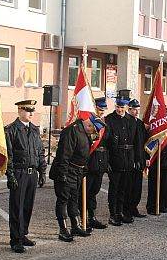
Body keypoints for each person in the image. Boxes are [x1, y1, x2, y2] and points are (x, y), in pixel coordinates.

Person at [5, 99, 46, 253]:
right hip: (19, 172)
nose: (31, 113)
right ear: (20, 111)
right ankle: (15, 239)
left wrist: (42, 172)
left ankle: (23, 235)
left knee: (27, 206)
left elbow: (40, 152)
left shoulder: (34, 130)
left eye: (32, 111)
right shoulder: (11, 130)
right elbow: (8, 155)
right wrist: (11, 176)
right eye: (28, 110)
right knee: (17, 207)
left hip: (32, 173)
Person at [49, 116, 94, 242]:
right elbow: (64, 154)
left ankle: (75, 226)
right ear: (88, 124)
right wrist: (62, 173)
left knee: (74, 199)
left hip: (77, 171)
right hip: (66, 170)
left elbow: (84, 152)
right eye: (93, 129)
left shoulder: (84, 131)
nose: (93, 133)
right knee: (63, 199)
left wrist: (84, 169)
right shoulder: (71, 131)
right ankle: (63, 229)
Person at [105, 90, 139, 225]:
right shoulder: (109, 120)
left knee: (125, 188)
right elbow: (106, 143)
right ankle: (113, 214)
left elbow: (136, 141)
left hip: (128, 158)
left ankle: (121, 212)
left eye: (122, 107)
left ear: (126, 107)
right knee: (115, 188)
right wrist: (108, 161)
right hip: (115, 158)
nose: (119, 109)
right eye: (118, 107)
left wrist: (136, 159)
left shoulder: (131, 121)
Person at [79, 97, 109, 232]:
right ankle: (82, 219)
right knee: (85, 192)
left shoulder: (104, 122)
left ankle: (92, 217)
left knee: (94, 192)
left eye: (103, 109)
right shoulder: (89, 122)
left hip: (101, 162)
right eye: (99, 109)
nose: (101, 112)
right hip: (90, 161)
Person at [126, 99, 148, 218]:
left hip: (140, 159)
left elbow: (144, 142)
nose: (136, 112)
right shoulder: (127, 122)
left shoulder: (139, 123)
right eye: (134, 109)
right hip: (130, 159)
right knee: (129, 186)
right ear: (129, 109)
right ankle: (127, 209)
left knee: (137, 187)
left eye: (138, 110)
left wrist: (145, 158)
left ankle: (134, 208)